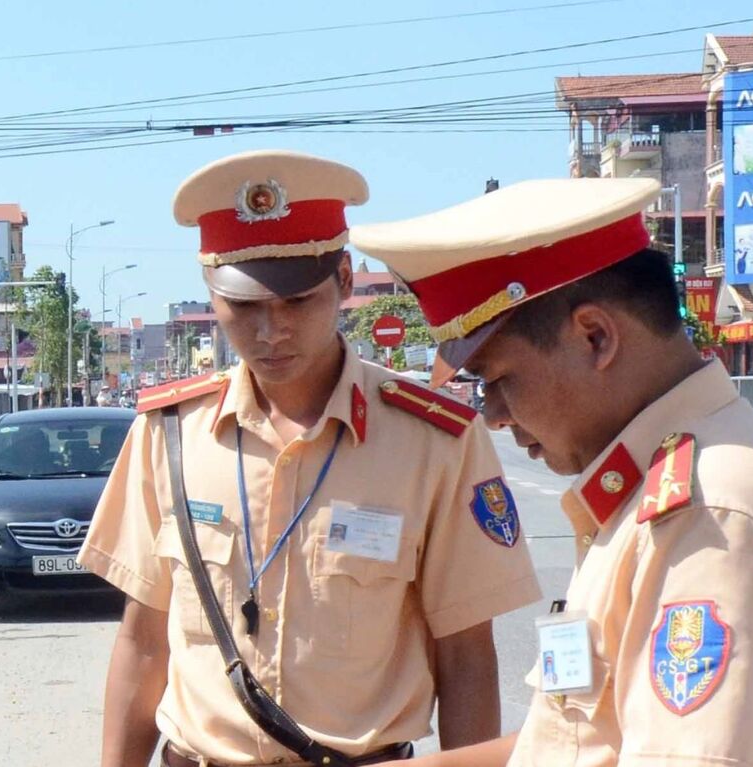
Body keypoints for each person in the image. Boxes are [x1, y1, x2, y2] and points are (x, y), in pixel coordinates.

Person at [350, 178, 753, 766]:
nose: (492, 416)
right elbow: (579, 746)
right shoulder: (656, 487)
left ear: (595, 337)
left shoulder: (711, 515)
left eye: (498, 380)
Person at [81, 150, 543, 767]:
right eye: (243, 307)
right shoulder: (171, 434)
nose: (271, 331)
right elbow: (142, 644)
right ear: (211, 293)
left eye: (297, 302)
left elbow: (465, 658)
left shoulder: (435, 441)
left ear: (345, 282)